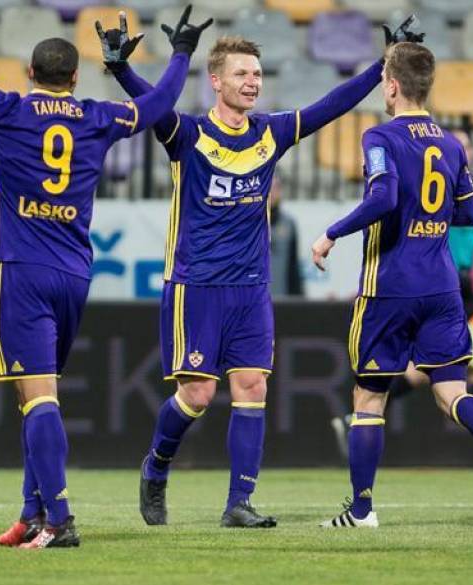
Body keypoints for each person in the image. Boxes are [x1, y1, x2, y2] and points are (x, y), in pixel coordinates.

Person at [98, 13, 422, 528]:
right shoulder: (187, 134)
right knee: (197, 395)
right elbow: (153, 106)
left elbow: (331, 106)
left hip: (251, 288)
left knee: (252, 387)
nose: (252, 82)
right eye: (241, 74)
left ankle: (238, 503)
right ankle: (156, 465)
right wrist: (120, 70)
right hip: (196, 284)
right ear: (216, 81)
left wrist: (380, 66)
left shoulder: (272, 132)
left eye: (257, 74)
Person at [0, 6, 211, 548]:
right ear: (75, 77)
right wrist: (182, 54)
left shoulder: (5, 108)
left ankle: (60, 520)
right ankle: (32, 512)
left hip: (21, 269)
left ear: (30, 72)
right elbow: (159, 105)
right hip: (73, 275)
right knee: (39, 396)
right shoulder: (99, 117)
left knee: (37, 397)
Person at [310, 42, 473, 529]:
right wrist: (429, 217)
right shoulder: (451, 144)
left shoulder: (380, 136)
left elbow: (383, 197)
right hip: (442, 288)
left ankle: (361, 510)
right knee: (451, 391)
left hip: (390, 286)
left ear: (391, 86)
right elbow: (468, 213)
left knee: (369, 398)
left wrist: (331, 233)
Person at [268, 174, 304, 298]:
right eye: (269, 187)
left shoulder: (288, 224)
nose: (272, 193)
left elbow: (293, 265)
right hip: (256, 299)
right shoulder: (252, 224)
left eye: (276, 188)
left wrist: (298, 297)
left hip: (282, 299)